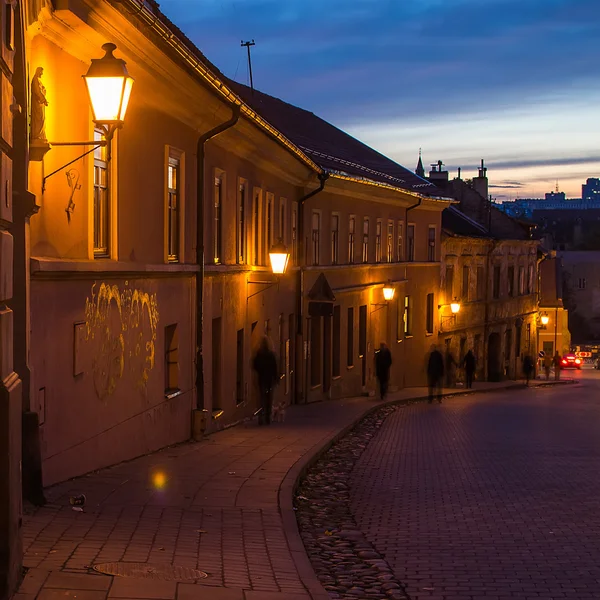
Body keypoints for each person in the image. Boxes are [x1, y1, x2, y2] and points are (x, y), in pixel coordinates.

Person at [252, 337, 278, 426]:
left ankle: (261, 417)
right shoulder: (271, 355)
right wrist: (275, 378)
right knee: (269, 399)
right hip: (269, 379)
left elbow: (254, 365)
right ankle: (267, 417)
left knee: (262, 399)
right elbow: (274, 367)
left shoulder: (259, 354)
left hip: (262, 379)